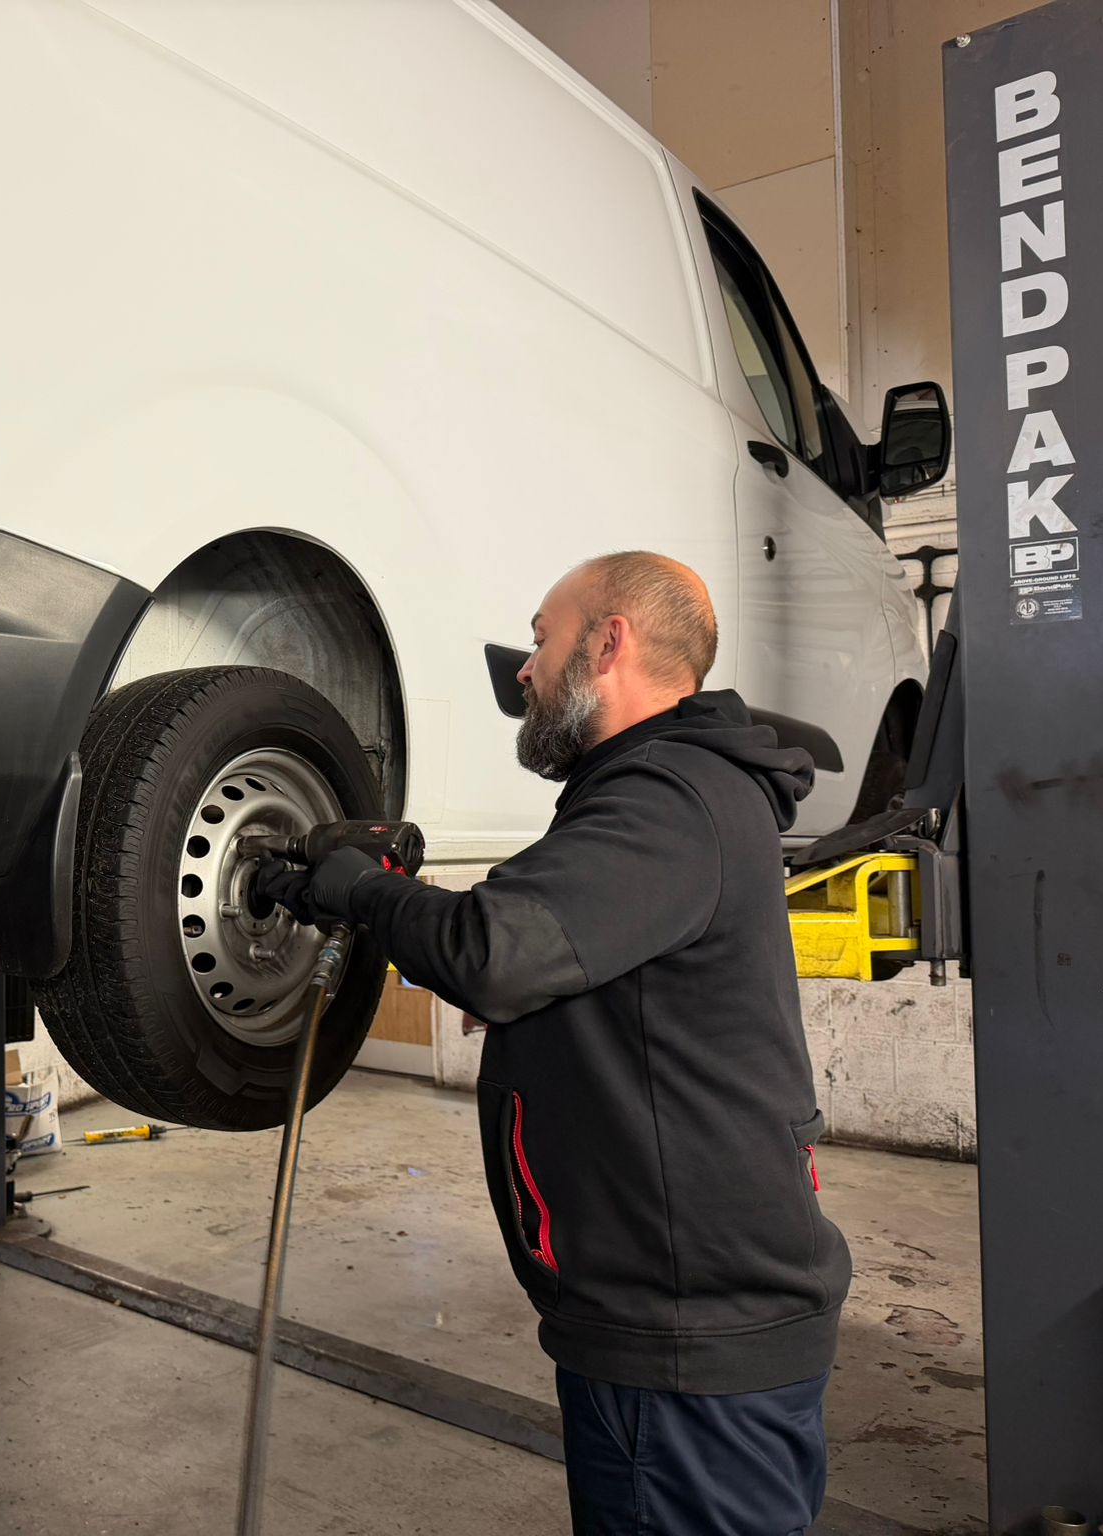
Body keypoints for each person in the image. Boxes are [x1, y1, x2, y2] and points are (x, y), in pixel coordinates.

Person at [258, 551, 848, 1535]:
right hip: (683, 1305)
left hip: (683, 1337)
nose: (524, 671)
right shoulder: (665, 793)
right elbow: (547, 953)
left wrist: (359, 890)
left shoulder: (667, 797)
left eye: (540, 638)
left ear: (608, 640)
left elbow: (496, 953)